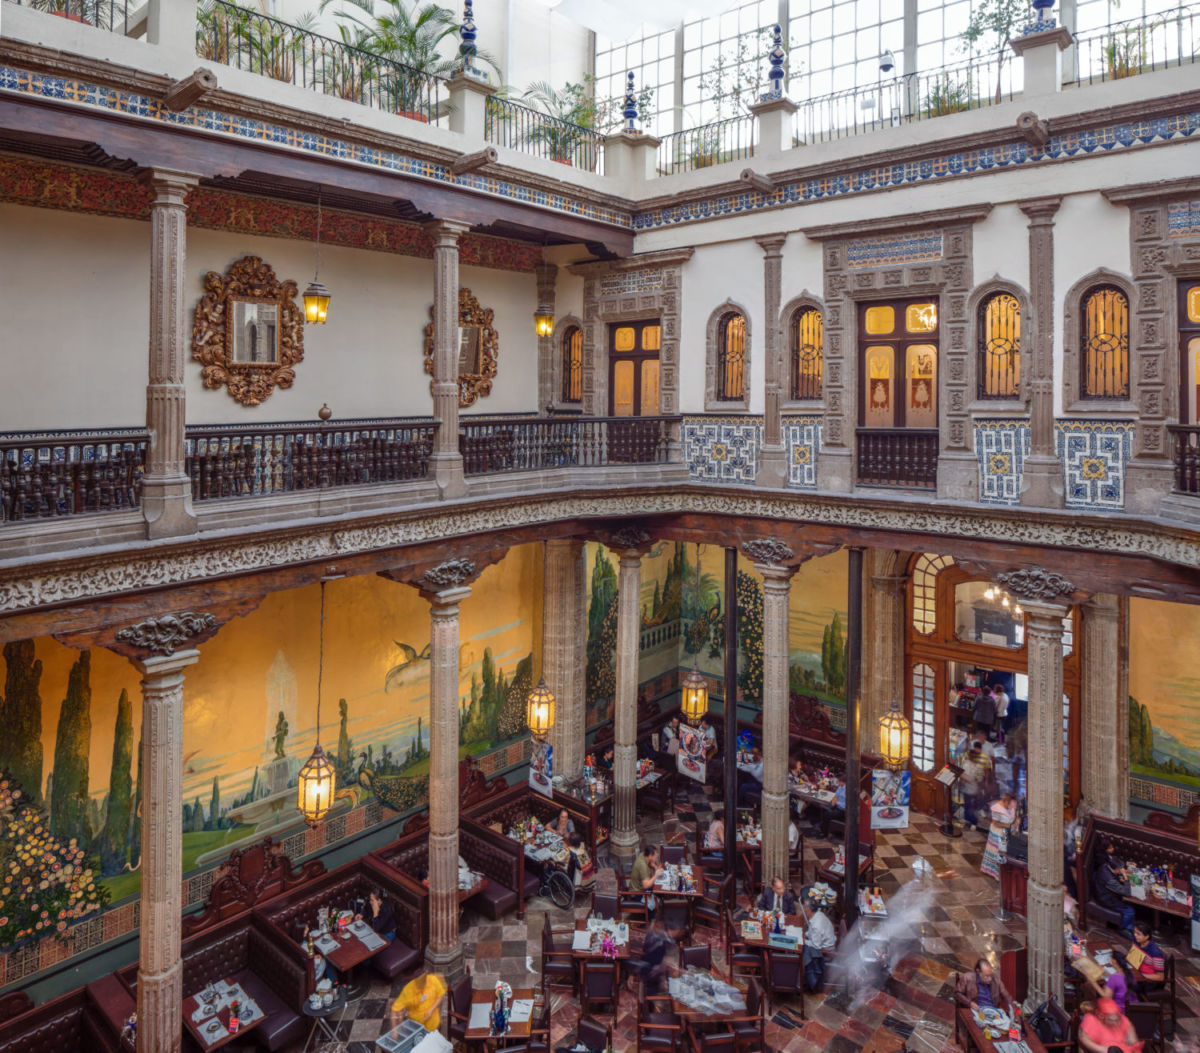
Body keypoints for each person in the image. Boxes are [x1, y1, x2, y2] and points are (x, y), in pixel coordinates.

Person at [1094, 840, 1135, 934]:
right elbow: (1127, 893)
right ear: (1116, 869)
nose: (1123, 870)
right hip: (1105, 898)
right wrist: (1125, 878)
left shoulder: (1106, 866)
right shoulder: (1110, 879)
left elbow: (1112, 878)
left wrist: (1120, 880)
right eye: (1121, 869)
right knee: (1130, 910)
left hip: (1104, 890)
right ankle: (1123, 929)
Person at [1078, 998, 1143, 1053]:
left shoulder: (1123, 1020)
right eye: (1111, 1020)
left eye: (1117, 1020)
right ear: (1102, 1016)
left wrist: (1132, 1043)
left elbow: (1133, 1041)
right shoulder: (1091, 1019)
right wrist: (1107, 1050)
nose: (1115, 1023)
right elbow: (1084, 1041)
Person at [629, 917, 673, 995]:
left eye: (659, 927)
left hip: (651, 977)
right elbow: (644, 956)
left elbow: (651, 962)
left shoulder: (660, 942)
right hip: (650, 971)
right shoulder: (654, 938)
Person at [800, 898, 836, 992]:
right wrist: (804, 935)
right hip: (822, 944)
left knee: (803, 951)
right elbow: (812, 934)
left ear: (809, 910)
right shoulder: (817, 915)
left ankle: (810, 981)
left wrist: (802, 940)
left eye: (804, 909)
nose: (803, 911)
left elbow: (816, 946)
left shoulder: (816, 925)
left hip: (826, 952)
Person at [981, 792, 1017, 880]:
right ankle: (997, 874)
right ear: (1006, 802)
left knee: (1005, 852)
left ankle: (1005, 872)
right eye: (1011, 806)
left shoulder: (1012, 804)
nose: (1012, 808)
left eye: (1014, 805)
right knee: (999, 852)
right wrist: (1009, 826)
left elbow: (1013, 816)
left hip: (1007, 832)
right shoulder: (997, 809)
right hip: (998, 833)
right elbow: (995, 823)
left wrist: (1016, 821)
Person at [1125, 921, 1166, 997]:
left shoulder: (1155, 953)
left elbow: (1160, 977)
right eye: (1135, 932)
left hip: (1147, 982)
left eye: (1138, 934)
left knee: (1121, 985)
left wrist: (1141, 976)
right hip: (1136, 973)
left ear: (1147, 936)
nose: (1135, 935)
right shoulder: (1136, 941)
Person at [959, 743, 992, 829]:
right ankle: (967, 819)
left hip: (972, 789)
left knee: (971, 807)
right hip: (967, 788)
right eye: (971, 755)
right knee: (967, 805)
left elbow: (976, 778)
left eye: (974, 756)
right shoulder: (965, 763)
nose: (972, 757)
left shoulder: (976, 766)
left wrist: (966, 778)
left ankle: (974, 822)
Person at [630, 842, 663, 915]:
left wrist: (655, 867)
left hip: (638, 886)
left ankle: (658, 902)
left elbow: (650, 862)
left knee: (659, 888)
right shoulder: (643, 866)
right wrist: (656, 875)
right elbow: (646, 885)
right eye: (655, 855)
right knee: (660, 889)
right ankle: (651, 918)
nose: (656, 857)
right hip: (638, 892)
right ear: (650, 856)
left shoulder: (643, 855)